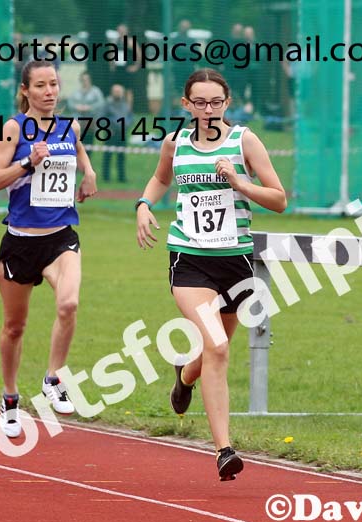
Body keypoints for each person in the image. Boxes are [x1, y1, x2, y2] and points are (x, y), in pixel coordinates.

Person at [135, 68, 287, 481]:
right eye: (199, 103)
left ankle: (184, 377)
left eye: (215, 102)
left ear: (227, 103)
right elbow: (160, 178)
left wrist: (240, 182)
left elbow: (279, 199)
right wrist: (144, 205)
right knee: (218, 348)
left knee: (210, 353)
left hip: (235, 261)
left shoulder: (245, 141)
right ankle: (224, 450)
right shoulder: (176, 142)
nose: (207, 109)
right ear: (186, 105)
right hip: (189, 258)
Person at [0, 59, 97, 438]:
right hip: (21, 241)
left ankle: (53, 379)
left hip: (61, 236)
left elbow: (78, 150)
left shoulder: (70, 125)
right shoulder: (14, 129)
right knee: (15, 327)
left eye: (53, 84)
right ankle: (11, 398)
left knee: (68, 304)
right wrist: (28, 165)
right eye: (41, 86)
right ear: (26, 91)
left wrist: (90, 172)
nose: (49, 92)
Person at [102, 84, 133, 183]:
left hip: (121, 134)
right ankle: (106, 177)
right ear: (112, 92)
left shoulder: (125, 105)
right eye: (115, 91)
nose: (117, 93)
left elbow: (130, 117)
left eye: (119, 91)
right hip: (110, 133)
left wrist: (126, 125)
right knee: (108, 155)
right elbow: (102, 118)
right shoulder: (107, 104)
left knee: (121, 156)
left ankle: (122, 177)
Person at [67, 72, 105, 145]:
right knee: (77, 142)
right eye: (83, 79)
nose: (85, 81)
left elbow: (101, 103)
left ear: (90, 80)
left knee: (89, 141)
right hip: (78, 120)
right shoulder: (76, 92)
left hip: (91, 121)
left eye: (86, 79)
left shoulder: (96, 91)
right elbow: (70, 103)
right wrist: (76, 107)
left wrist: (90, 107)